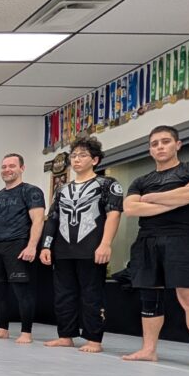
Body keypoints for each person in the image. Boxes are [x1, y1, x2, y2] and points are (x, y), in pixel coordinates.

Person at [120, 125, 189, 372]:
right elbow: (131, 209)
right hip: (147, 240)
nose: (160, 147)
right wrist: (180, 197)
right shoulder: (141, 180)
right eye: (155, 144)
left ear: (178, 144)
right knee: (149, 298)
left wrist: (150, 198)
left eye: (165, 141)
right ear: (150, 150)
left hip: (182, 238)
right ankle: (148, 350)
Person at [39, 135, 123, 352]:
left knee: (92, 294)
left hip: (92, 248)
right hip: (63, 249)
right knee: (63, 294)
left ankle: (94, 339)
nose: (76, 160)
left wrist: (106, 244)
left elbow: (113, 215)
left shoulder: (107, 184)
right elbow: (53, 218)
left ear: (95, 160)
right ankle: (65, 335)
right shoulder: (62, 189)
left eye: (83, 155)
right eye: (74, 155)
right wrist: (46, 246)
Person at [0, 154, 46, 344]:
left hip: (19, 245)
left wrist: (32, 246)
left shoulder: (32, 191)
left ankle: (26, 332)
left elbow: (38, 220)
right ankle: (2, 329)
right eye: (4, 167)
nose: (7, 170)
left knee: (22, 291)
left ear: (22, 168)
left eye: (12, 166)